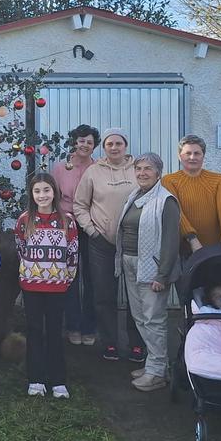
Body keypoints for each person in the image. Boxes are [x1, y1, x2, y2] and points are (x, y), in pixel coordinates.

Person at [72, 127, 145, 363]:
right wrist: (92, 231)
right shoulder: (94, 172)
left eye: (118, 143)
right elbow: (80, 205)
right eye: (109, 144)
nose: (114, 148)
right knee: (104, 295)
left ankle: (136, 343)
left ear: (126, 146)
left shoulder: (138, 168)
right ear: (103, 148)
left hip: (134, 242)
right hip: (102, 242)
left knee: (136, 295)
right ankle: (110, 342)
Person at [116, 153, 181, 392]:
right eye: (139, 168)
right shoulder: (135, 196)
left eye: (148, 169)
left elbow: (171, 241)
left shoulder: (166, 201)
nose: (142, 173)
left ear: (158, 173)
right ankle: (154, 363)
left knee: (153, 319)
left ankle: (157, 373)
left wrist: (162, 275)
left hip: (152, 268)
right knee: (140, 317)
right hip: (130, 263)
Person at [15, 173, 79, 399]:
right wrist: (30, 273)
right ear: (31, 195)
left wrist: (66, 278)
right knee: (34, 330)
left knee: (54, 331)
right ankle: (36, 379)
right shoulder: (25, 220)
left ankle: (58, 380)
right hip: (31, 286)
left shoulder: (67, 220)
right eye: (37, 191)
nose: (42, 195)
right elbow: (20, 248)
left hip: (58, 286)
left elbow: (73, 253)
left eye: (46, 190)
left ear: (54, 192)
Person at [51, 124, 99, 346]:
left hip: (91, 225)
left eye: (89, 142)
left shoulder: (98, 168)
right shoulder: (61, 168)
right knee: (70, 276)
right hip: (67, 225)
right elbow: (53, 197)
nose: (85, 145)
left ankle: (89, 326)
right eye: (81, 141)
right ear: (74, 142)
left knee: (91, 277)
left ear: (94, 146)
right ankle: (72, 326)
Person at [161, 134, 221, 250]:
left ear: (203, 156)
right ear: (179, 156)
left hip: (216, 248)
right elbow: (178, 213)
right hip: (183, 248)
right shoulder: (169, 181)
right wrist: (192, 240)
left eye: (197, 153)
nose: (192, 157)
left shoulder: (220, 180)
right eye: (188, 153)